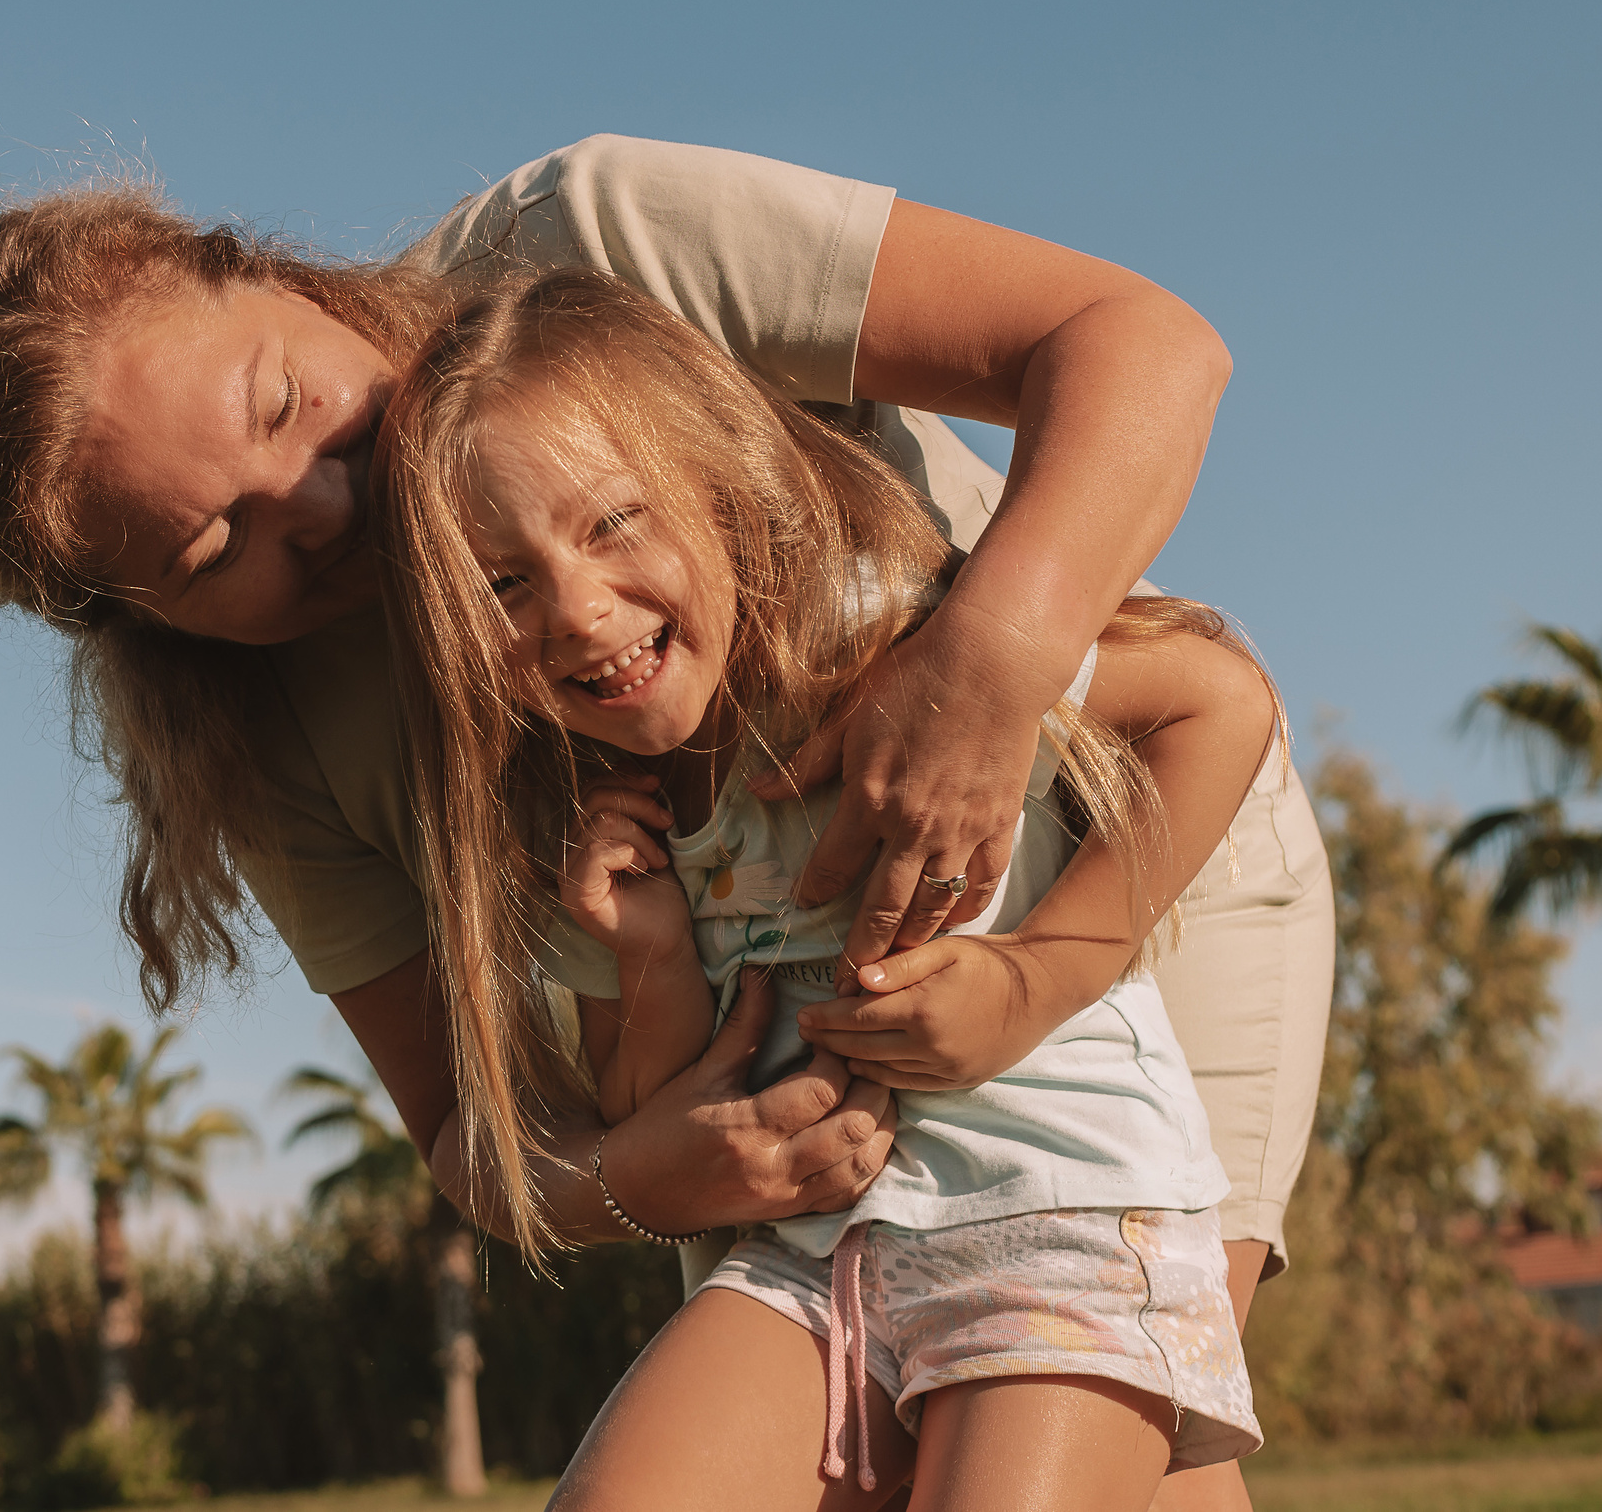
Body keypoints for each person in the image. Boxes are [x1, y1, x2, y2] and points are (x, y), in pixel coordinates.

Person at [0, 135, 1333, 1512]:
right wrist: (653, 1167)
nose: (320, 502)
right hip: (790, 1103)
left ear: (262, 267)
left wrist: (989, 663)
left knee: (1115, 1425)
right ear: (138, 624)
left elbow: (1138, 343)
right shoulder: (267, 743)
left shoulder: (584, 245)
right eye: (211, 547)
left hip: (1116, 865)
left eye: (279, 403)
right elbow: (474, 1129)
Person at [376, 269, 1276, 1509]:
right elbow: (661, 1112)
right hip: (805, 1265)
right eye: (501, 583)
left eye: (611, 524)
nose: (578, 613)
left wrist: (1035, 977)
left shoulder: (878, 647)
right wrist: (645, 958)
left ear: (717, 486)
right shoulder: (592, 820)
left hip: (1062, 1222)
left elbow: (1214, 698)